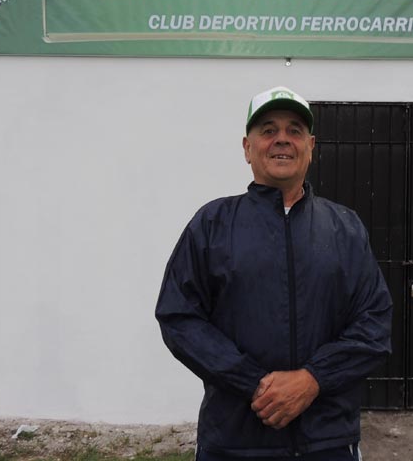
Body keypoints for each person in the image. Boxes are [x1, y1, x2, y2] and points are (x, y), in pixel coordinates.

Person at [155, 86, 392, 460]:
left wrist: (313, 379)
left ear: (310, 146)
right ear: (247, 147)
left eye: (294, 130)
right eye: (267, 129)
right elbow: (179, 317)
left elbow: (374, 322)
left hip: (328, 441)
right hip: (234, 441)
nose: (282, 139)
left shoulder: (344, 228)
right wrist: (254, 384)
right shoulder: (212, 224)